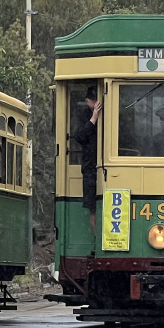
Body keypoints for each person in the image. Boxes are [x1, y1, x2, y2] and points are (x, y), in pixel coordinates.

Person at [72, 85, 101, 234]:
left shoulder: (111, 114)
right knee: (93, 208)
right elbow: (79, 137)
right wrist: (94, 118)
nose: (97, 103)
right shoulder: (83, 115)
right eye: (94, 100)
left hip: (109, 169)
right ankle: (96, 242)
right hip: (90, 167)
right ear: (88, 101)